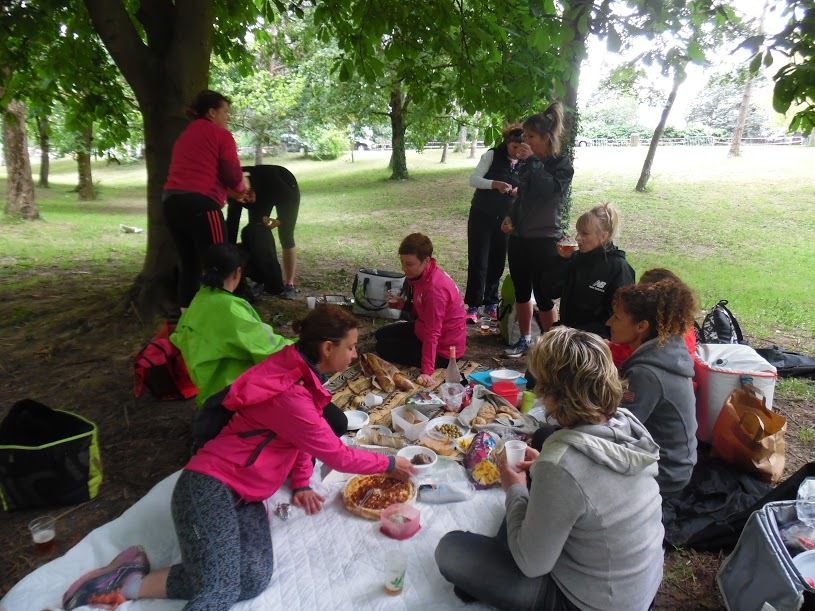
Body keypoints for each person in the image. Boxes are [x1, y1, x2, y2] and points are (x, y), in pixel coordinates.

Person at [62, 305, 416, 610]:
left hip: (245, 498)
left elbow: (293, 439)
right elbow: (337, 456)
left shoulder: (298, 374)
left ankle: (129, 583)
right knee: (219, 589)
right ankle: (129, 579)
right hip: (208, 487)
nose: (355, 356)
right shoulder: (288, 391)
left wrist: (300, 483)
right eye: (351, 348)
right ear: (327, 348)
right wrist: (390, 463)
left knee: (250, 578)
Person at [435, 327, 664, 610]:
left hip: (586, 603)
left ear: (553, 393)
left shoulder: (562, 465)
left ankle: (490, 582)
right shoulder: (627, 424)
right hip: (636, 590)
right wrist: (545, 468)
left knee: (451, 551)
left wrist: (515, 488)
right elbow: (585, 483)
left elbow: (532, 564)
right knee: (544, 440)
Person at [170, 243, 293, 407]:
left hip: (209, 392)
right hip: (236, 394)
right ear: (238, 272)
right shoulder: (230, 309)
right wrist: (304, 345)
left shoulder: (199, 300)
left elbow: (179, 337)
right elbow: (270, 349)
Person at [163, 90, 254, 309]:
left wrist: (233, 193)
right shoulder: (220, 135)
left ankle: (187, 321)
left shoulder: (186, 135)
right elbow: (232, 175)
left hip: (171, 205)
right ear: (212, 112)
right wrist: (243, 188)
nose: (228, 117)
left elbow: (202, 176)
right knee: (221, 265)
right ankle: (222, 318)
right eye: (225, 112)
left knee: (190, 265)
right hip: (202, 208)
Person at [607, 277, 698, 497]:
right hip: (675, 463)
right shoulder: (664, 351)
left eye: (617, 317)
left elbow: (618, 430)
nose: (609, 322)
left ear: (641, 326)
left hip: (666, 474)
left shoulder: (646, 374)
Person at [501, 102, 574, 358]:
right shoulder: (525, 163)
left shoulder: (561, 165)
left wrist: (531, 160)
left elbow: (549, 190)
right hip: (520, 238)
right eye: (524, 136)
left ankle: (550, 347)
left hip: (545, 239)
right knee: (522, 292)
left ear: (545, 137)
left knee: (544, 296)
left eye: (530, 136)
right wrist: (510, 217)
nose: (525, 141)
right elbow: (520, 196)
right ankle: (525, 339)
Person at [375, 233, 466, 387]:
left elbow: (433, 333)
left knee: (382, 347)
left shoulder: (434, 290)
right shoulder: (424, 275)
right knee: (381, 334)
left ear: (426, 261)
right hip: (424, 328)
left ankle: (427, 361)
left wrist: (427, 371)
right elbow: (423, 310)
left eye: (409, 264)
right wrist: (403, 305)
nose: (404, 268)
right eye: (402, 262)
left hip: (444, 350)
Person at [464, 126, 524, 323]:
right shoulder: (492, 155)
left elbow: (528, 189)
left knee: (498, 261)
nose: (516, 152)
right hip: (482, 214)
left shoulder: (525, 162)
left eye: (520, 148)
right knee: (478, 259)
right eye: (514, 147)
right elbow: (473, 179)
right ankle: (473, 305)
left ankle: (490, 303)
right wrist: (494, 184)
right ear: (507, 142)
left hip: (506, 219)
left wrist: (517, 192)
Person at [557, 203, 635, 337]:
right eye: (578, 232)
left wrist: (578, 335)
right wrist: (560, 261)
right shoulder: (576, 259)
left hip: (596, 343)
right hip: (569, 336)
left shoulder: (619, 269)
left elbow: (621, 319)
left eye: (584, 234)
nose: (577, 238)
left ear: (603, 237)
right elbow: (550, 291)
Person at [226, 165, 300, 298]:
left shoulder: (273, 183)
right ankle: (261, 279)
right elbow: (232, 227)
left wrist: (276, 222)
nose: (247, 201)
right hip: (259, 193)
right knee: (254, 233)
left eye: (247, 195)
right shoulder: (233, 192)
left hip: (286, 186)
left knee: (286, 235)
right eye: (242, 200)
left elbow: (284, 218)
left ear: (249, 188)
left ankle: (289, 285)